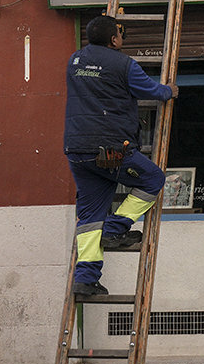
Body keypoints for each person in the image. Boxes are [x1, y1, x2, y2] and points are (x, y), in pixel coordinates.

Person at [63, 15, 178, 297]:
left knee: (90, 216)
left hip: (77, 149)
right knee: (153, 179)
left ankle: (85, 280)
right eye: (120, 34)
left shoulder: (75, 62)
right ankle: (115, 229)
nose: (122, 38)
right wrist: (170, 91)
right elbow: (153, 91)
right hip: (110, 150)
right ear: (114, 39)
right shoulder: (124, 64)